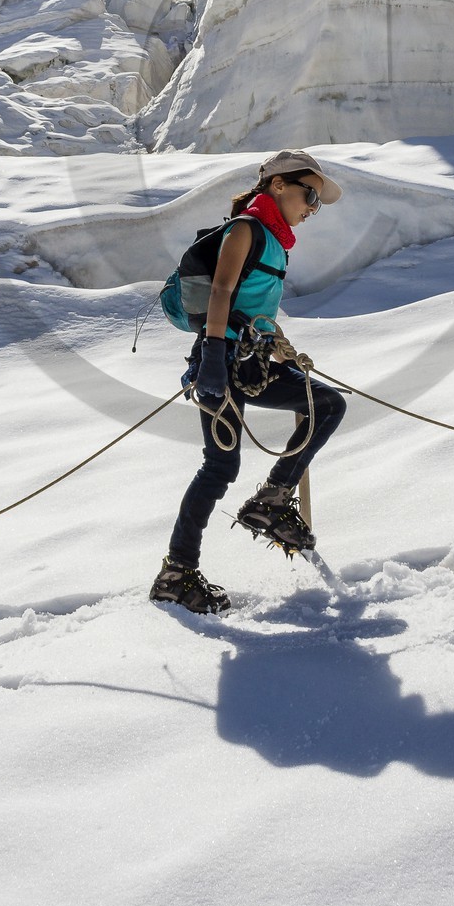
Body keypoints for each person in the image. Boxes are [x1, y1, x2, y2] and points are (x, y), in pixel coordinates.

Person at [150, 148, 348, 615]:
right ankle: (176, 575)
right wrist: (214, 357)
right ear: (278, 185)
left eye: (316, 202)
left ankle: (272, 500)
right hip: (223, 361)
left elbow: (250, 305)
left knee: (327, 404)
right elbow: (221, 290)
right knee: (219, 468)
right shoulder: (247, 229)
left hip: (253, 362)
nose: (311, 208)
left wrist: (272, 343)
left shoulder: (276, 242)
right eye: (309, 196)